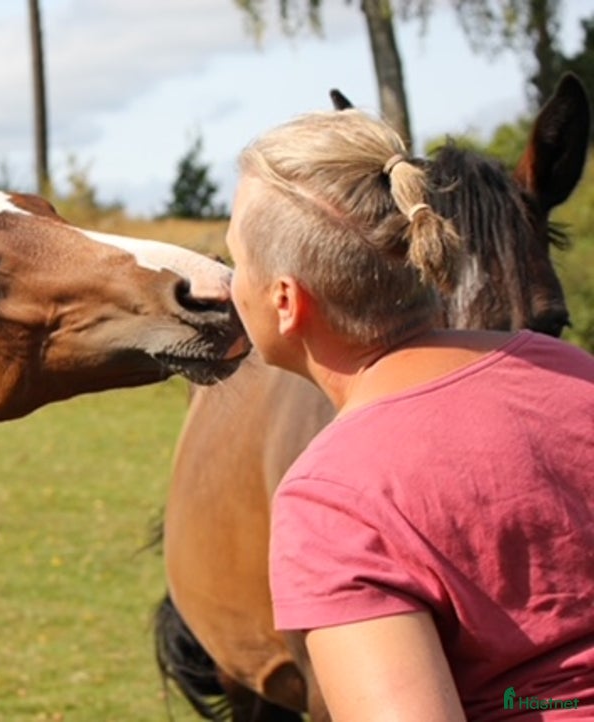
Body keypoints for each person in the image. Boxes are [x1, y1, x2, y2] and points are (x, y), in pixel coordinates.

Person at [225, 107, 594, 720]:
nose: (227, 283)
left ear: (285, 302)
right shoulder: (574, 373)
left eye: (235, 258)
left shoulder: (334, 500)